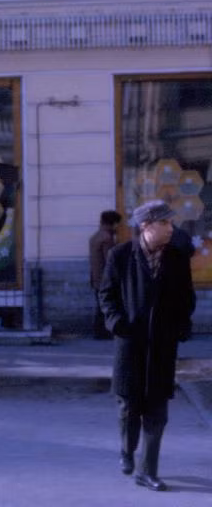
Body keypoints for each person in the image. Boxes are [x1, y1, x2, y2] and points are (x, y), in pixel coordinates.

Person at [99, 200, 195, 492]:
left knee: (157, 412)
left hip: (163, 346)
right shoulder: (120, 255)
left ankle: (147, 470)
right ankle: (127, 450)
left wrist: (181, 326)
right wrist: (118, 324)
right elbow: (107, 295)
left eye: (170, 222)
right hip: (130, 345)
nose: (170, 228)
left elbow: (187, 298)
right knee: (129, 407)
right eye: (164, 223)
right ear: (145, 226)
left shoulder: (177, 257)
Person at [89, 210, 121, 340]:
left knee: (100, 305)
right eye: (117, 223)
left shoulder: (95, 236)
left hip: (96, 277)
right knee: (106, 306)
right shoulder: (107, 238)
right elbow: (110, 260)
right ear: (113, 223)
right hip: (105, 278)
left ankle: (98, 331)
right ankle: (102, 331)